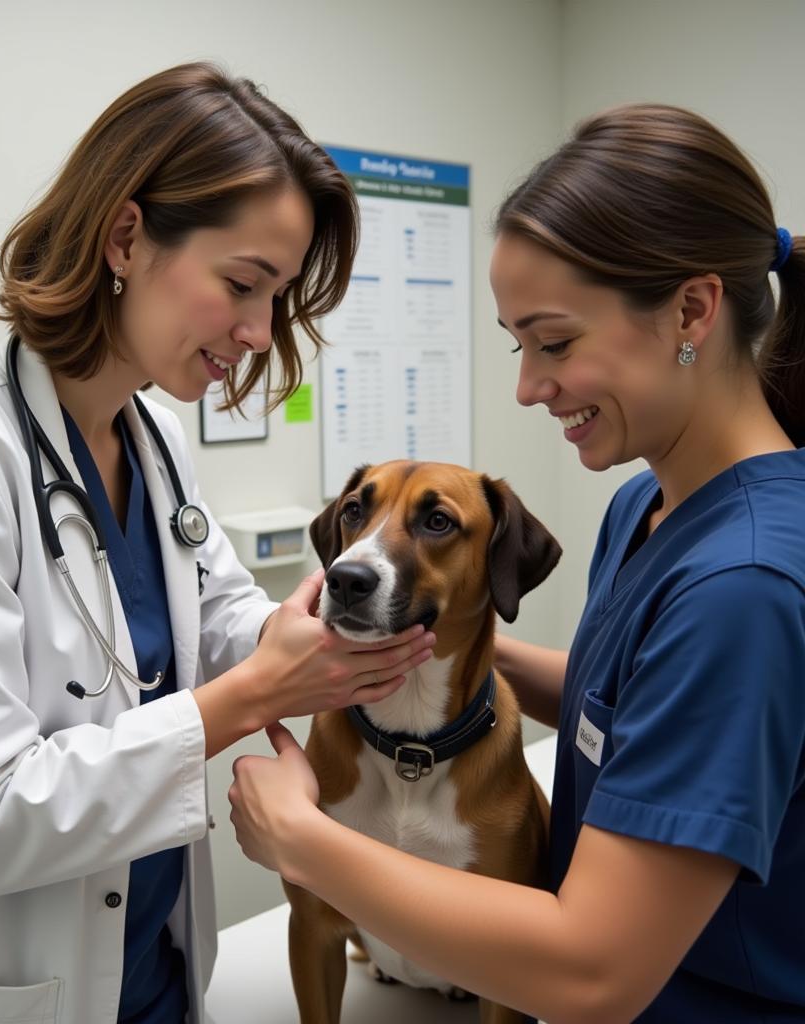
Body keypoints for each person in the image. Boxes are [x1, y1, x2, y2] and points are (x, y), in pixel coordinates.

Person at [0, 63, 439, 1024]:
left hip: (150, 977)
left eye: (278, 297)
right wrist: (251, 698)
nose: (261, 333)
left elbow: (220, 614)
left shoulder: (153, 439)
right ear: (127, 237)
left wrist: (320, 630)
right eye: (243, 284)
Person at [229, 103, 805, 1023]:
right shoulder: (647, 509)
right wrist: (439, 652)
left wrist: (299, 835)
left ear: (693, 309)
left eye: (556, 342)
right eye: (518, 344)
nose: (529, 387)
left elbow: (595, 975)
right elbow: (638, 704)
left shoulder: (744, 586)